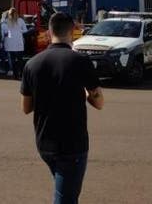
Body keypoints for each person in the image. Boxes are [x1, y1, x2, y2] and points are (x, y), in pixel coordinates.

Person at [20, 12, 104, 204]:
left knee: (66, 191)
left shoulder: (32, 64)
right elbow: (99, 102)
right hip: (72, 144)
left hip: (44, 142)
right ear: (73, 31)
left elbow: (26, 107)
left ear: (49, 32)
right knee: (65, 198)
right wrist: (84, 94)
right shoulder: (80, 61)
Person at [3, 7, 30, 78]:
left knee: (12, 60)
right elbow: (25, 31)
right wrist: (19, 31)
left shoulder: (6, 21)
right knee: (20, 59)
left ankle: (15, 75)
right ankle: (21, 73)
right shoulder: (20, 20)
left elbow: (5, 32)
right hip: (18, 42)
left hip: (10, 43)